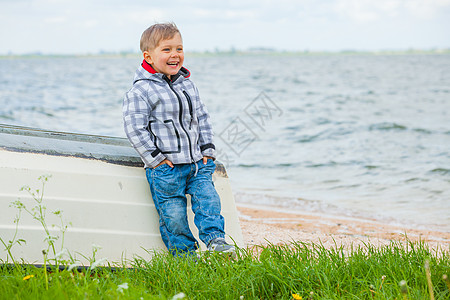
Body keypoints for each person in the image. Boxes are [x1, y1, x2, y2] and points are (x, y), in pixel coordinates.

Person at [122, 22, 235, 256]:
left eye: (179, 49)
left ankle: (216, 242)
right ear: (148, 56)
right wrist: (156, 160)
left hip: (197, 163)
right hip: (166, 169)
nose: (175, 54)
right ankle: (185, 257)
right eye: (167, 49)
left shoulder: (187, 84)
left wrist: (208, 150)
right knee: (173, 215)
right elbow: (135, 128)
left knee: (209, 203)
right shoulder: (141, 91)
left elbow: (201, 117)